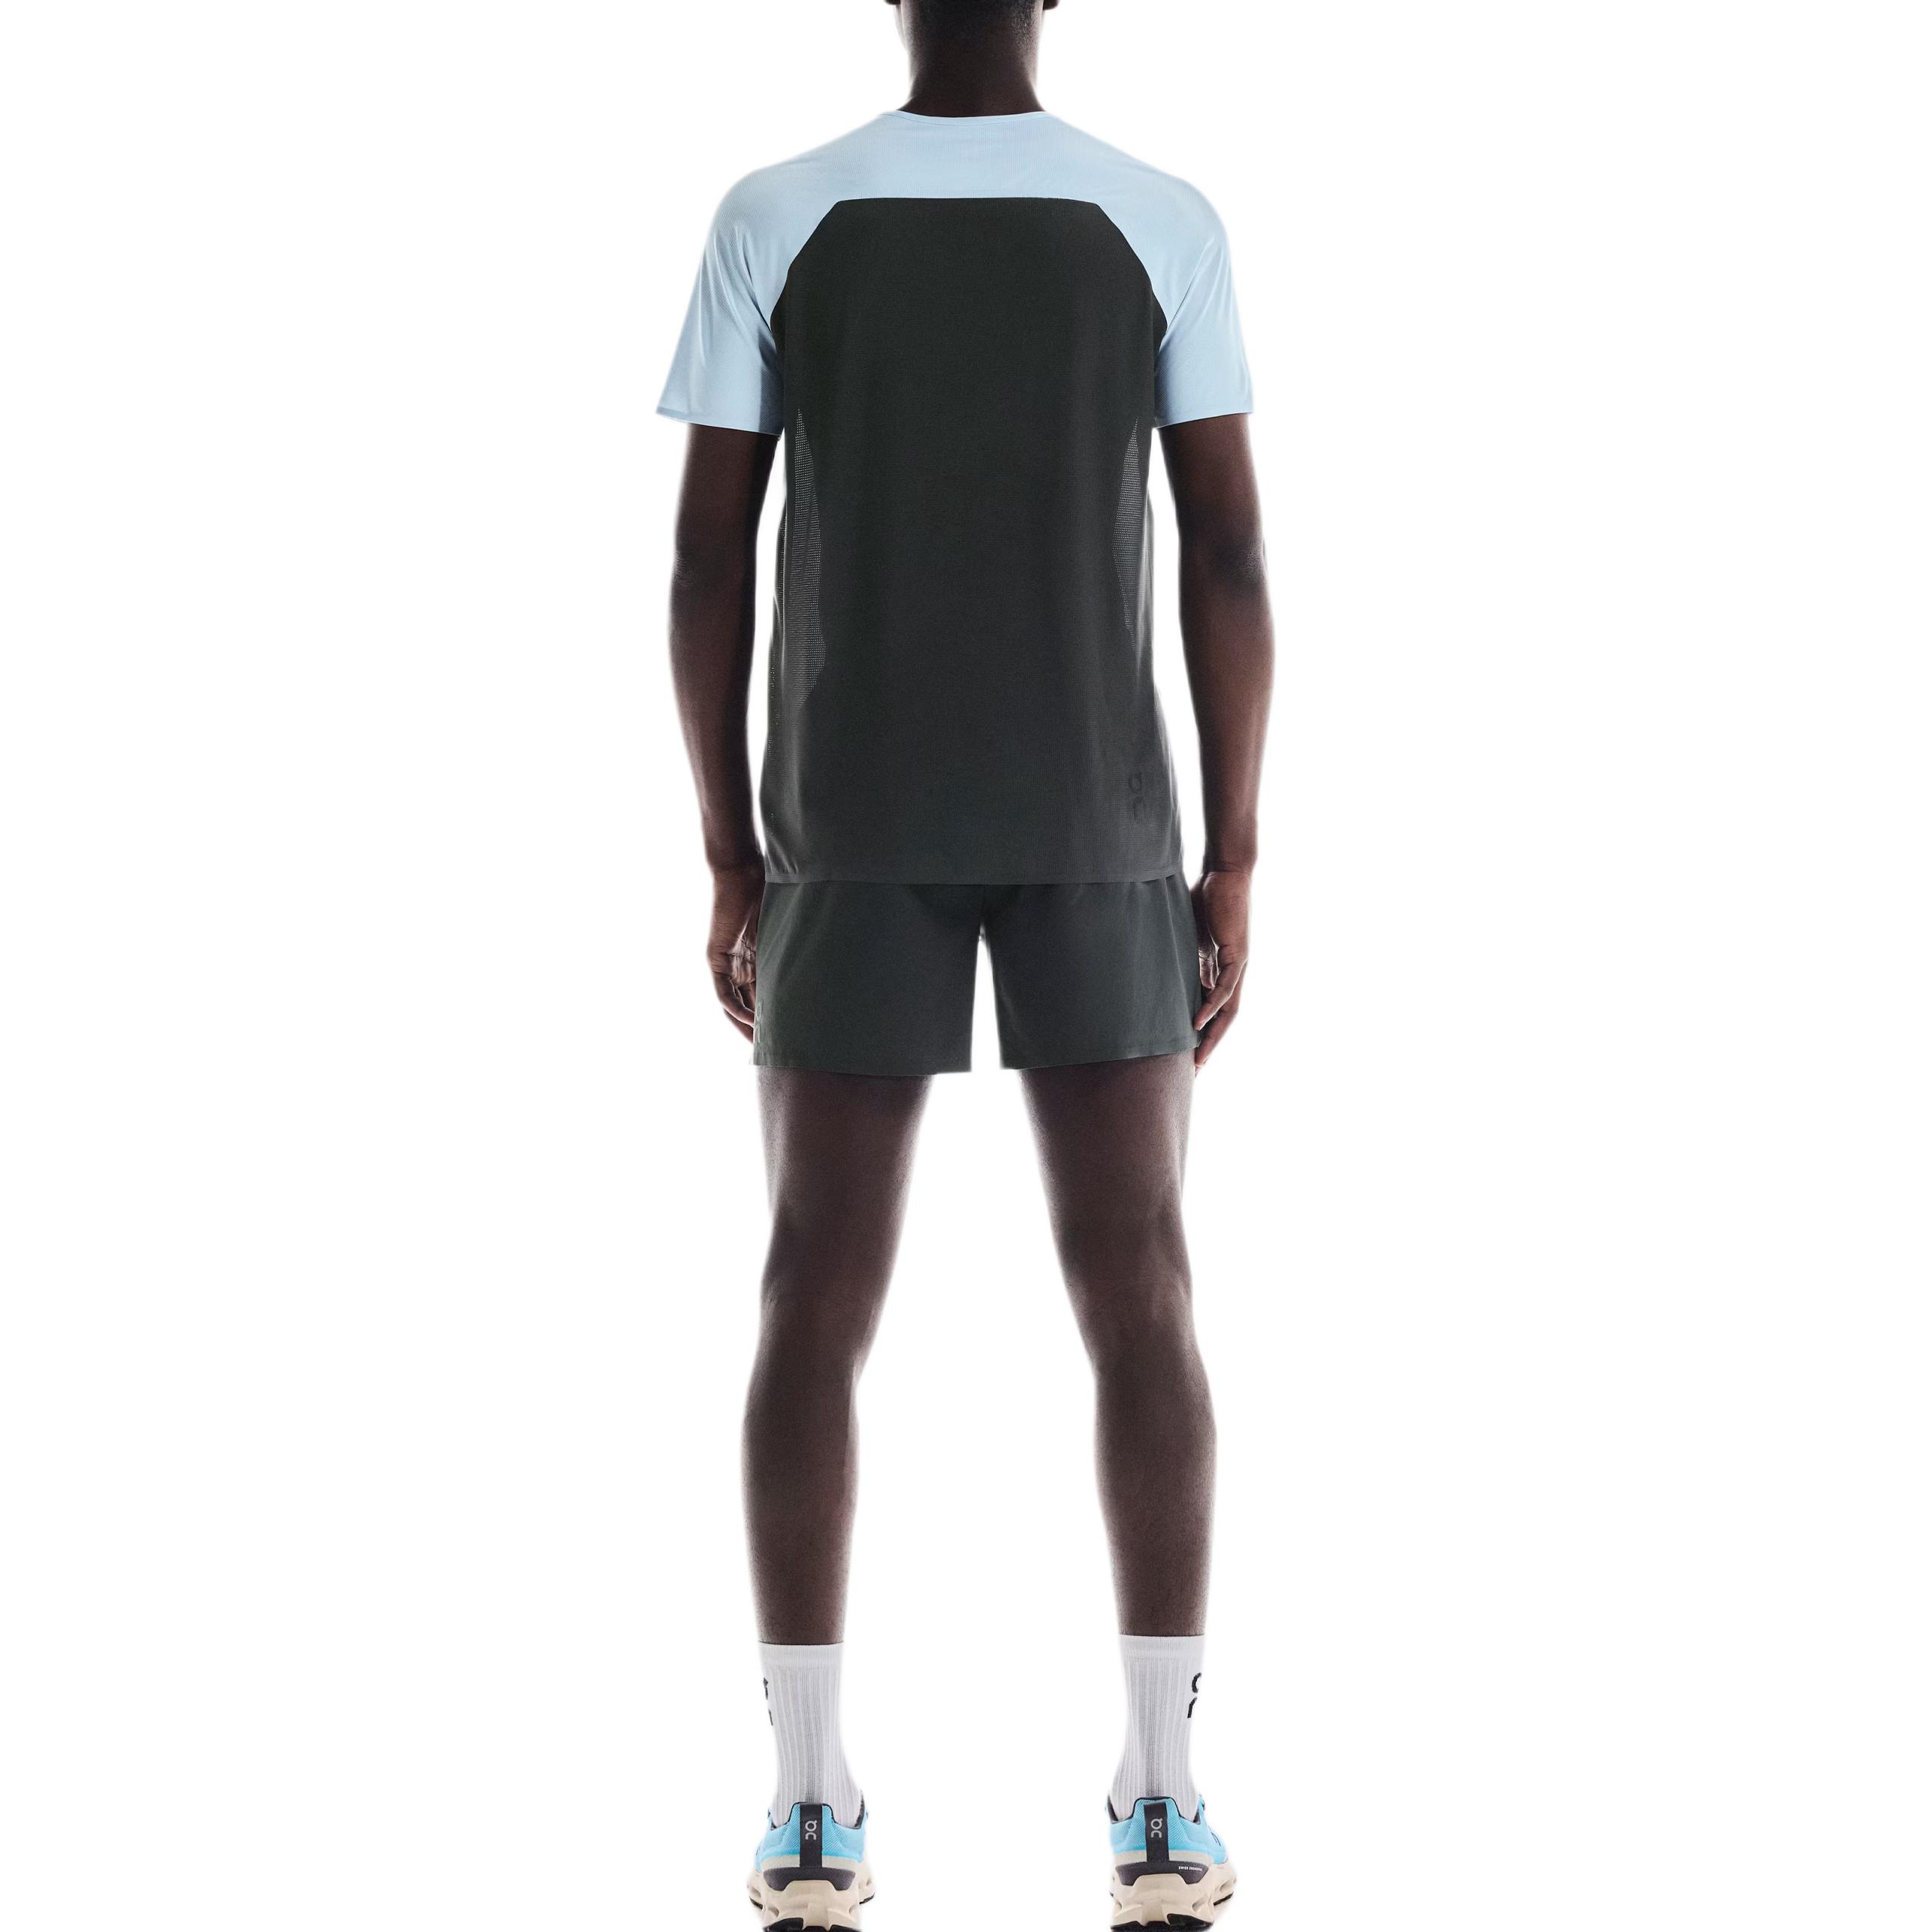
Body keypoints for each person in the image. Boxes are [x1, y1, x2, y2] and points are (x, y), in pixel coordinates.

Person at [660, 2, 1273, 1924]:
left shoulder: (780, 212)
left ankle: (808, 1804)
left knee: (811, 1288)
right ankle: (1160, 1797)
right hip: (1099, 815)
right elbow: (1227, 556)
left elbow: (705, 562)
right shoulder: (1155, 215)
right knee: (1139, 1284)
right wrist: (1232, 848)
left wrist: (729, 846)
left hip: (848, 824)